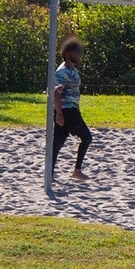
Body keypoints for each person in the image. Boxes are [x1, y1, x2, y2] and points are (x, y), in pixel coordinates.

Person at [50, 36, 91, 181]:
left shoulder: (72, 70)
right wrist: (59, 114)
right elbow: (54, 91)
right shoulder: (62, 71)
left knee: (58, 142)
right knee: (86, 137)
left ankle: (50, 173)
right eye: (75, 52)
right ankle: (77, 171)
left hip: (72, 109)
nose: (78, 55)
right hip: (67, 111)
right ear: (68, 53)